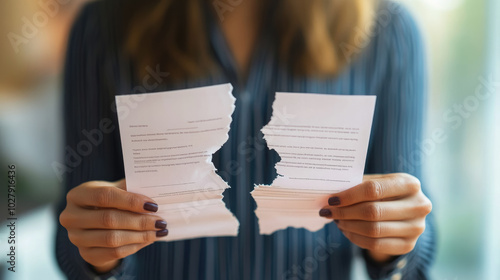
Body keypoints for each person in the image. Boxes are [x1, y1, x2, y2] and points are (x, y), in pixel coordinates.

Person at [56, 0, 435, 279]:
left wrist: (392, 244)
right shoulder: (101, 27)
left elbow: (419, 235)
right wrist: (99, 250)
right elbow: (71, 232)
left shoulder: (388, 32)